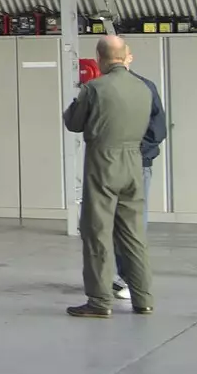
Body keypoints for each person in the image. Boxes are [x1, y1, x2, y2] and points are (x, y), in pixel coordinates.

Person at [63, 35, 153, 317]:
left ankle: (100, 302)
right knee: (134, 234)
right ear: (126, 55)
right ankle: (144, 300)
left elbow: (73, 123)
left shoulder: (95, 88)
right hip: (134, 163)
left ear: (100, 59)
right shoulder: (144, 87)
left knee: (97, 232)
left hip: (104, 162)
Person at [111, 47, 166, 300]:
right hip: (118, 163)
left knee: (132, 222)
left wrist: (135, 152)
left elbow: (158, 128)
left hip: (131, 163)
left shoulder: (145, 87)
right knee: (116, 222)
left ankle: (130, 279)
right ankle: (124, 276)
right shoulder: (104, 87)